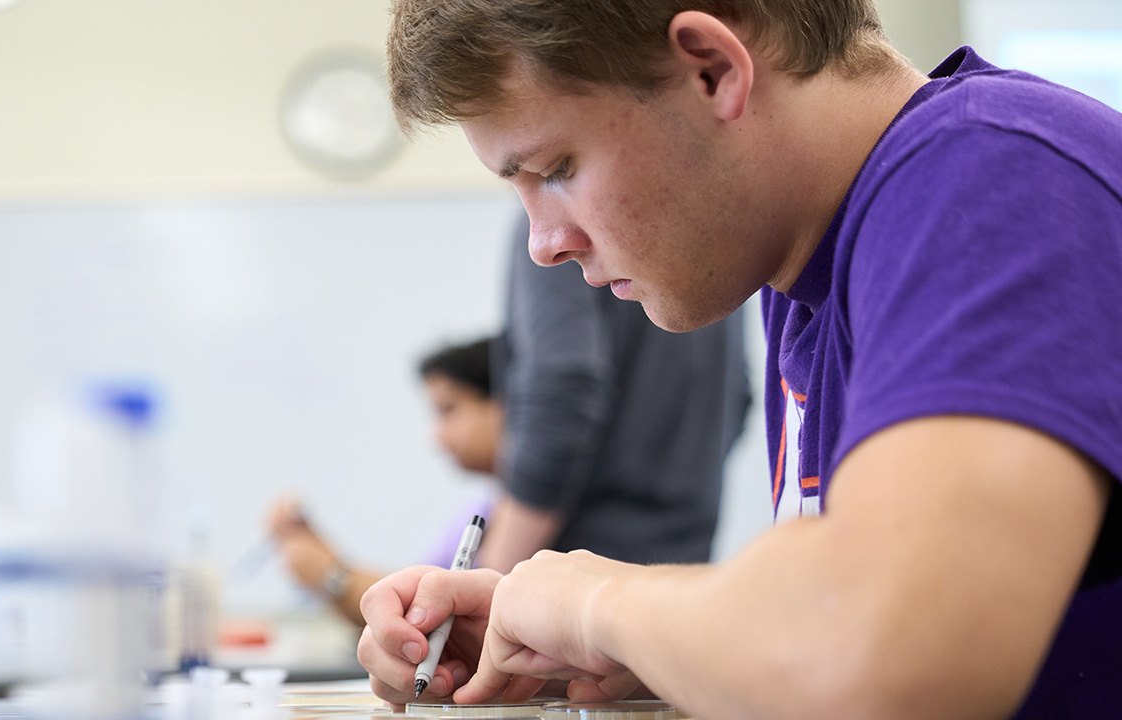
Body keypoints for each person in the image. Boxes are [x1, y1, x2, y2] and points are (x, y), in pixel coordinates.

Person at [358, 1, 1122, 718]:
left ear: (712, 70)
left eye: (556, 168)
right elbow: (836, 629)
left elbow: (890, 665)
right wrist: (626, 647)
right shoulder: (801, 268)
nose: (544, 243)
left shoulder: (993, 176)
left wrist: (594, 605)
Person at [479, 211, 749, 572]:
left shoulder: (557, 231)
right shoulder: (706, 224)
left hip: (574, 576)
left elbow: (561, 395)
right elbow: (740, 397)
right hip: (686, 567)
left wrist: (495, 574)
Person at [268, 337, 502, 626]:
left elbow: (447, 622)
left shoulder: (533, 515)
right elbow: (416, 597)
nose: (436, 437)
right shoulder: (481, 509)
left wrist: (331, 575)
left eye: (448, 410)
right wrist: (322, 558)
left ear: (508, 403)